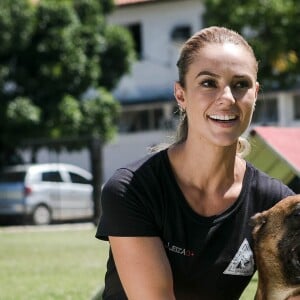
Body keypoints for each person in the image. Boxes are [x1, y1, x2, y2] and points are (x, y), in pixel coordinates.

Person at [95, 26, 295, 300]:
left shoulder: (274, 204)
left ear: (256, 93)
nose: (226, 98)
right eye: (208, 83)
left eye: (240, 85)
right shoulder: (131, 189)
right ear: (181, 95)